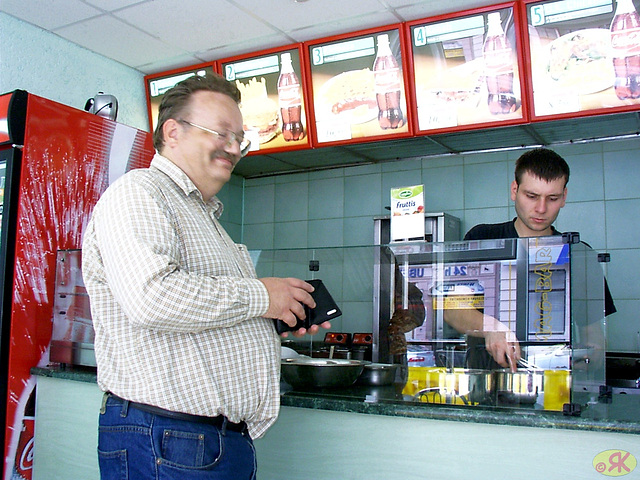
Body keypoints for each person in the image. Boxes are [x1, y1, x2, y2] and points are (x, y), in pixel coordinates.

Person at [82, 73, 329, 480]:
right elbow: (152, 297)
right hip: (166, 437)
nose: (233, 148)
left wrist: (270, 318)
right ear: (173, 132)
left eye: (240, 139)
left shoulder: (202, 214)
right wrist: (261, 298)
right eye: (221, 133)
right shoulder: (140, 193)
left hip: (199, 442)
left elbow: (201, 314)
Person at [444, 147, 615, 370]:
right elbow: (453, 310)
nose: (541, 208)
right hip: (487, 385)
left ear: (564, 197)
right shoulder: (483, 239)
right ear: (514, 190)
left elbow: (593, 334)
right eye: (532, 196)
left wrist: (587, 360)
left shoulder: (578, 254)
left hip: (554, 389)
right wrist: (492, 328)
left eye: (552, 198)